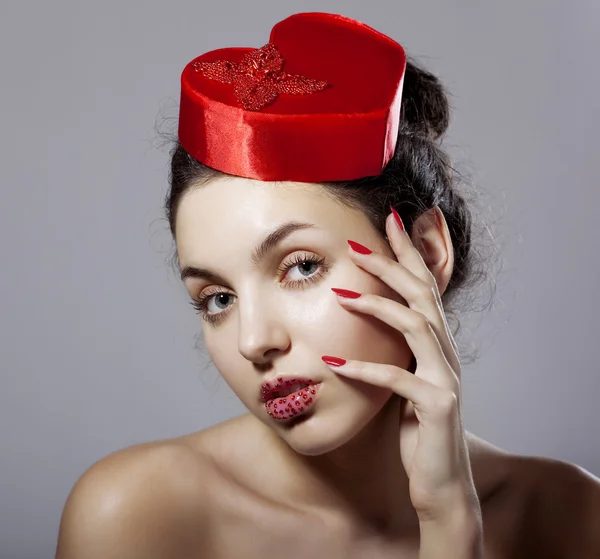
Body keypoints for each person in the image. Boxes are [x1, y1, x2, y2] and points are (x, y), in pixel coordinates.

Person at [55, 12, 600, 559]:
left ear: (427, 254)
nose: (254, 341)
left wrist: (450, 523)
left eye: (301, 267)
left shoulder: (570, 517)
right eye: (218, 299)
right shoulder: (134, 516)